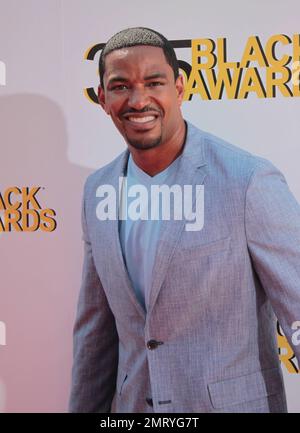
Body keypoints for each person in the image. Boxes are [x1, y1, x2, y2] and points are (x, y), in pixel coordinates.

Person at [69, 27, 300, 413]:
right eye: (121, 86)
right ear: (103, 98)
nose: (138, 100)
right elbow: (96, 332)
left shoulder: (247, 180)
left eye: (153, 82)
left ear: (179, 87)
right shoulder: (98, 190)